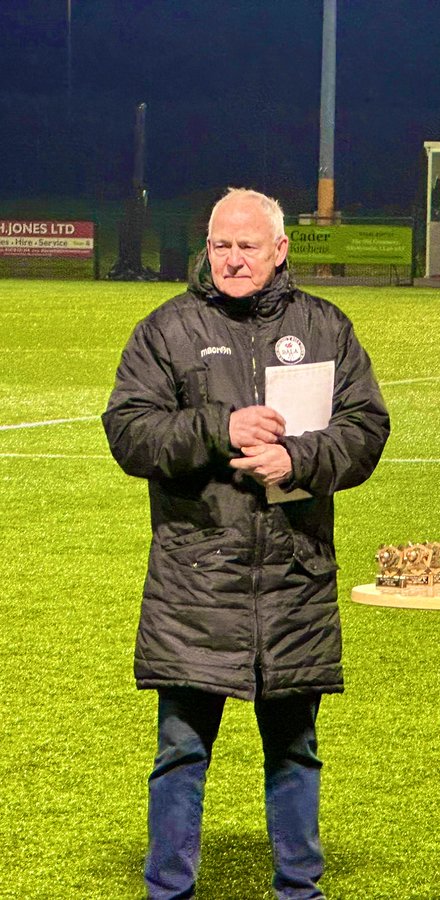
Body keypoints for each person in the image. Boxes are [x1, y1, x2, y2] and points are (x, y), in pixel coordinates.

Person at [102, 188, 390, 900]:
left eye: (248, 246)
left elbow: (365, 428)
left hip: (294, 579)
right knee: (181, 753)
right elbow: (129, 432)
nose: (232, 259)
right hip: (195, 583)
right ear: (207, 248)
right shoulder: (166, 329)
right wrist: (219, 427)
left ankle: (299, 889)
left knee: (295, 751)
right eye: (221, 246)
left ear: (280, 250)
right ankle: (168, 891)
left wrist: (298, 460)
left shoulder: (325, 327)